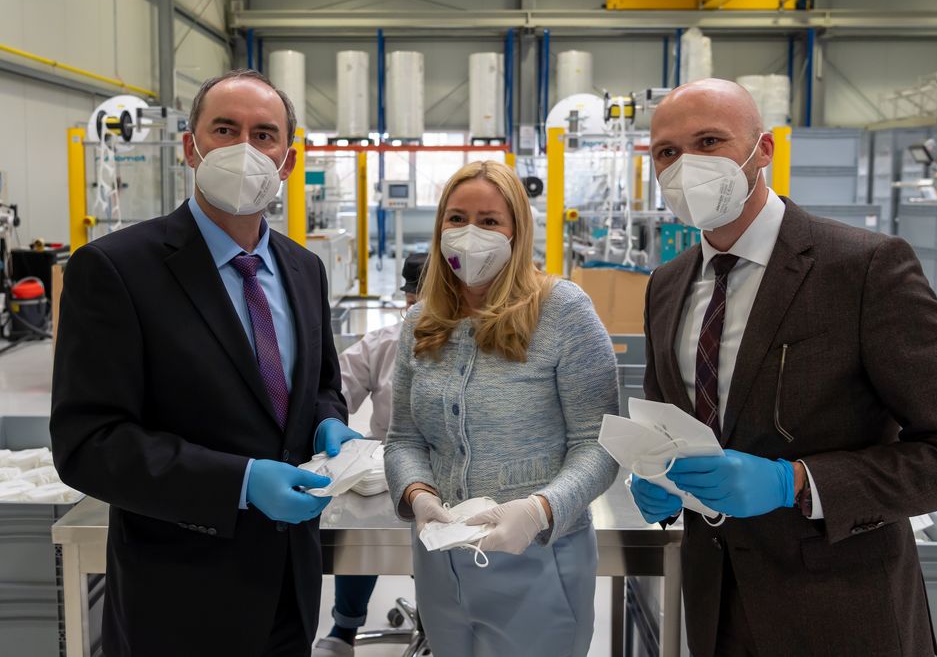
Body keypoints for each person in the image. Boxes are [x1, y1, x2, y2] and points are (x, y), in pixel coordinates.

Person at [628, 78, 937, 657]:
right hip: (715, 604)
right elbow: (673, 423)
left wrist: (794, 483)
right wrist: (658, 477)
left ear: (764, 149)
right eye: (668, 152)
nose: (687, 166)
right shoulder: (668, 285)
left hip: (841, 612)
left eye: (709, 141)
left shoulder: (863, 268)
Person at [50, 69, 360, 657]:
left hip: (289, 591)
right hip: (176, 600)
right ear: (191, 148)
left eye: (265, 135)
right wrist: (239, 483)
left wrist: (326, 420)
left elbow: (319, 387)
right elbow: (87, 444)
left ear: (287, 162)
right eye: (225, 129)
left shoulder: (303, 270)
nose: (246, 149)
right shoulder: (116, 270)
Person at [384, 160, 619, 657]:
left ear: (517, 230)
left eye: (489, 221)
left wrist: (539, 511)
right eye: (456, 218)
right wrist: (419, 494)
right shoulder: (419, 323)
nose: (470, 234)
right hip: (440, 567)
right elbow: (403, 438)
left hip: (540, 561)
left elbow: (598, 445)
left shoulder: (563, 312)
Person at [314, 251, 428, 657]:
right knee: (358, 526)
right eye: (413, 303)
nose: (418, 313)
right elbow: (334, 391)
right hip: (386, 466)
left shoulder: (478, 347)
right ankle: (344, 628)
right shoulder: (383, 345)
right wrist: (328, 421)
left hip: (457, 473)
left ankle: (446, 625)